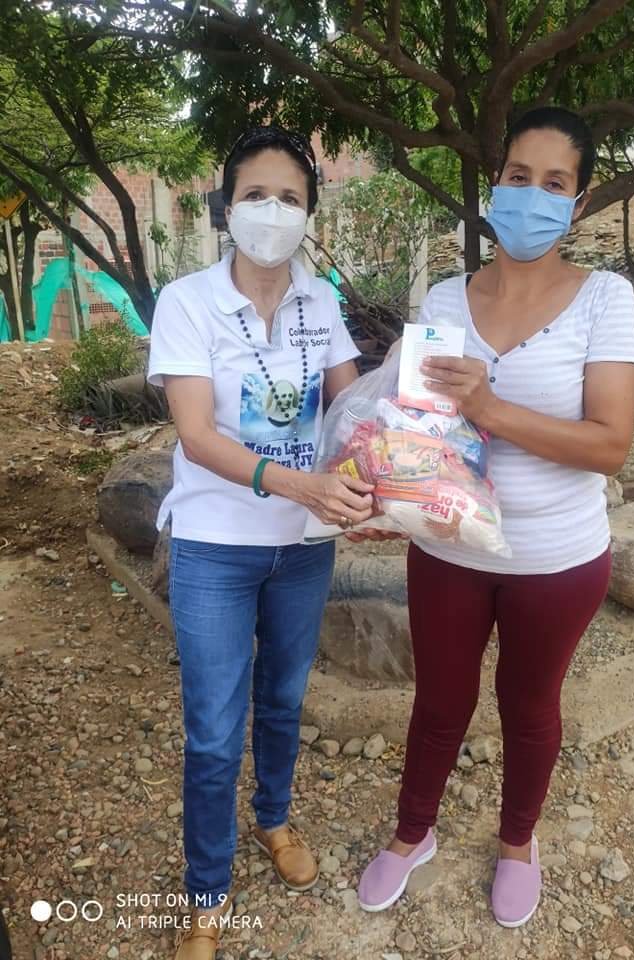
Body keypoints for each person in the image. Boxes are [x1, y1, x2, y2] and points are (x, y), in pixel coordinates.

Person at [357, 106, 634, 928]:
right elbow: (417, 427)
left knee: (530, 706)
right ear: (495, 185)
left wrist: (490, 407)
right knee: (438, 702)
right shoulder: (446, 297)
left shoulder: (604, 299)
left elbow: (610, 444)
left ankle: (518, 842)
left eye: (555, 183)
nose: (532, 196)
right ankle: (413, 833)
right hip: (449, 547)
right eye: (520, 176)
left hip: (558, 559)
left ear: (577, 203)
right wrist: (380, 477)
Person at [147, 126, 377, 960]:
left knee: (283, 700)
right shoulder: (187, 302)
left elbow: (351, 409)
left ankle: (273, 819)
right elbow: (198, 436)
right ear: (225, 208)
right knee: (214, 729)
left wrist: (402, 440)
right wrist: (303, 484)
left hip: (303, 546)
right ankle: (207, 892)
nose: (271, 212)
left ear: (309, 214)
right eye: (255, 195)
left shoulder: (320, 301)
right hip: (215, 544)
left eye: (290, 198)